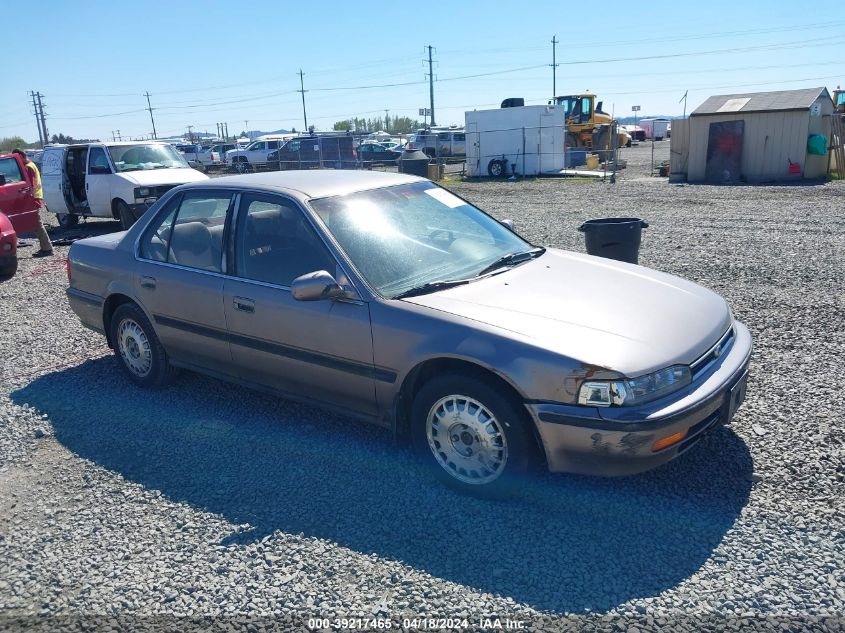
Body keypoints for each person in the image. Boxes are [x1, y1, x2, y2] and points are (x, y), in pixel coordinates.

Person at [12, 148, 53, 257]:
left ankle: (47, 248)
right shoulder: (31, 165)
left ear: (21, 156)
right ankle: (46, 247)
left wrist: (27, 197)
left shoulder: (29, 167)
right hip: (34, 198)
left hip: (33, 199)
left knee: (37, 224)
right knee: (35, 224)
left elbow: (32, 185)